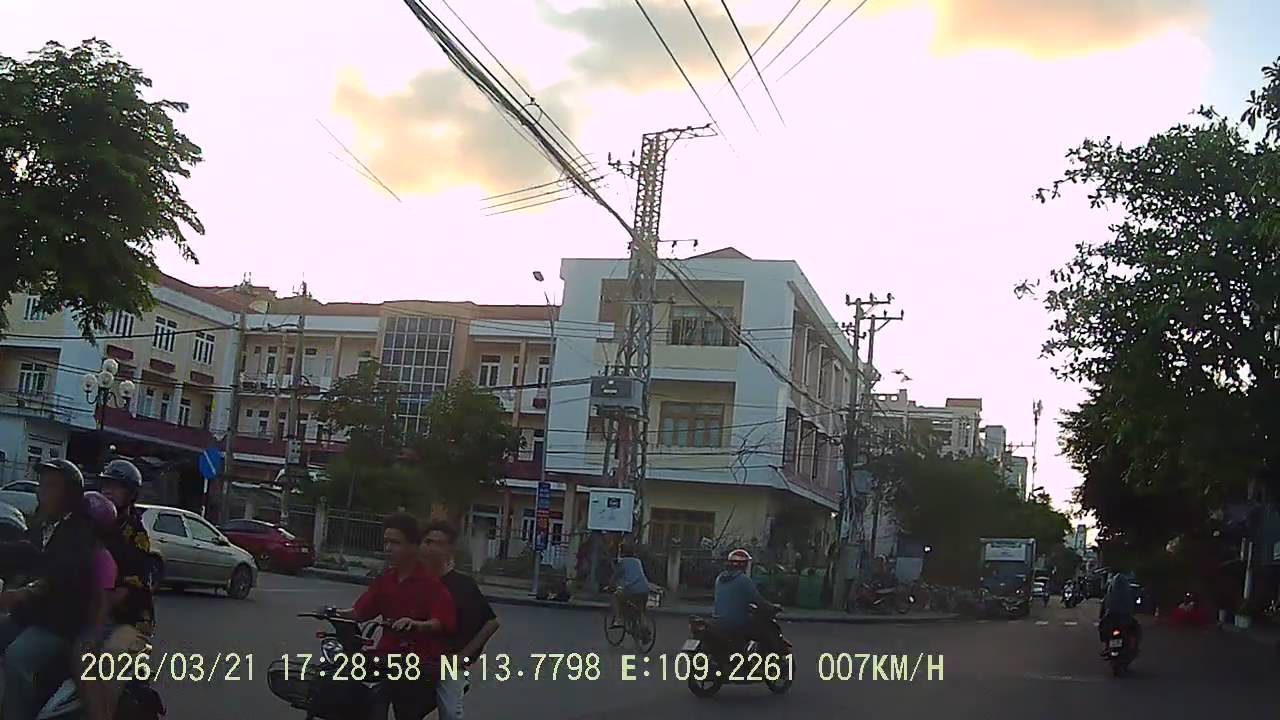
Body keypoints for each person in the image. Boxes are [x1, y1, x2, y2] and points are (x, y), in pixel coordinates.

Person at [0, 459, 97, 720]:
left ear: (70, 496)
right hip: (31, 615)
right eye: (42, 484)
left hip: (59, 623)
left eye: (51, 486)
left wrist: (25, 592)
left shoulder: (80, 531)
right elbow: (22, 553)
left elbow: (63, 573)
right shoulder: (39, 523)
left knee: (17, 658)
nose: (42, 492)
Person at [333, 513, 455, 720]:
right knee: (340, 680)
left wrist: (415, 624)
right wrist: (333, 613)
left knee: (394, 702)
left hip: (419, 662)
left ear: (414, 547)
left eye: (395, 543)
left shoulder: (432, 585)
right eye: (386, 542)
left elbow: (440, 623)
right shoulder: (385, 581)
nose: (388, 548)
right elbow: (359, 613)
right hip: (385, 656)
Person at [421, 520, 500, 720]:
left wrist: (463, 656)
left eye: (439, 544)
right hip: (412, 658)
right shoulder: (413, 580)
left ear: (450, 550)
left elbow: (490, 623)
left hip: (447, 661)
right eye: (428, 542)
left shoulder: (463, 585)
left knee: (450, 712)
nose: (432, 549)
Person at [95, 459, 157, 637]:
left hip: (126, 618)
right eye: (106, 485)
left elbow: (127, 587)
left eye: (116, 487)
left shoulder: (135, 534)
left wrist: (95, 613)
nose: (108, 491)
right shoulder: (92, 522)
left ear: (131, 494)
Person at [77, 491, 120, 720]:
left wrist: (92, 637)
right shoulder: (72, 549)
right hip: (68, 618)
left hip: (93, 624)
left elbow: (103, 604)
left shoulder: (103, 559)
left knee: (84, 662)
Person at [711, 548, 768, 646]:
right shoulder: (744, 580)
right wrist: (770, 606)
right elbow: (758, 600)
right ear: (744, 565)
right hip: (736, 623)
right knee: (760, 633)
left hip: (717, 621)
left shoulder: (719, 578)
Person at [1099, 570, 1142, 654]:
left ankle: (1107, 646)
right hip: (1121, 617)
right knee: (1136, 629)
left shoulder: (1112, 593)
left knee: (1103, 627)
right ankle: (1109, 646)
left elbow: (1103, 607)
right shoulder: (1125, 592)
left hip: (1116, 617)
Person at [609, 544, 651, 628]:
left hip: (632, 589)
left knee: (615, 597)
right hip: (645, 589)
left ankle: (619, 619)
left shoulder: (623, 562)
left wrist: (610, 585)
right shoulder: (638, 561)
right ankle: (645, 627)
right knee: (641, 610)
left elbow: (615, 576)